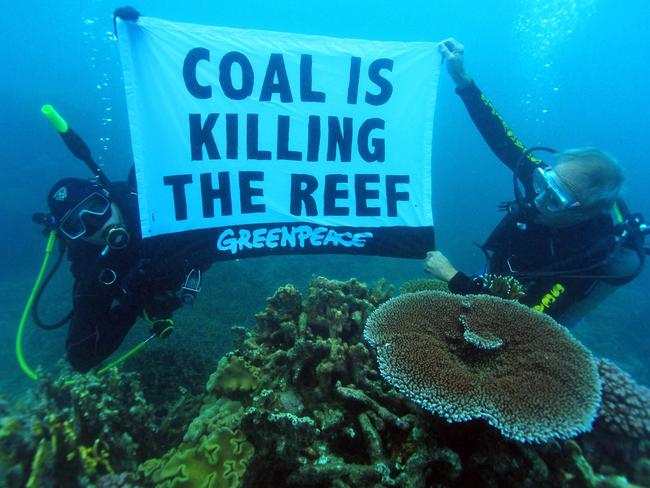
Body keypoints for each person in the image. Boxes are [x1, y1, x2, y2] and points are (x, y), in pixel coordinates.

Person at [425, 38, 647, 322]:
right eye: (542, 182)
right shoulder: (552, 184)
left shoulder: (585, 256)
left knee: (547, 333)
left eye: (554, 200)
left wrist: (452, 276)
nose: (538, 199)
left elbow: (524, 321)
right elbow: (501, 139)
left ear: (581, 212)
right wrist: (463, 80)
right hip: (513, 268)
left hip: (542, 302)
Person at [43, 171, 217, 372]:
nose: (96, 223)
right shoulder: (92, 268)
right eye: (76, 225)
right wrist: (131, 304)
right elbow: (80, 355)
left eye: (95, 207)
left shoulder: (150, 202)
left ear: (106, 195)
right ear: (72, 236)